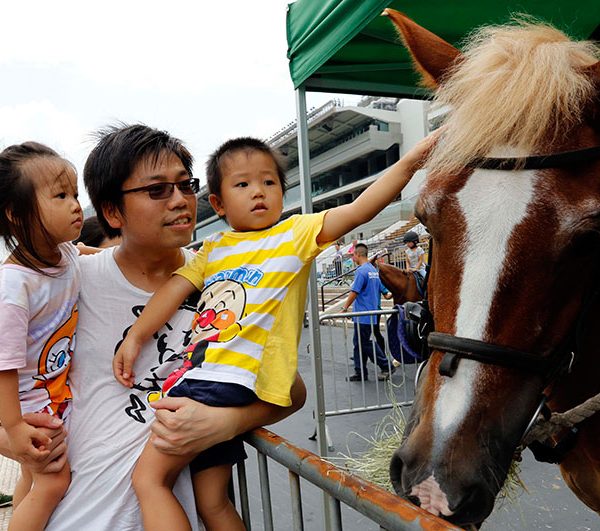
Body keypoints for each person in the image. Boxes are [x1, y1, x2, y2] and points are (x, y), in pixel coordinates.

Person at [113, 131, 438, 531]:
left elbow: (359, 209)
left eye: (269, 182)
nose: (259, 192)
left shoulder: (296, 233)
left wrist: (412, 161)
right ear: (218, 202)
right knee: (211, 501)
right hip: (224, 385)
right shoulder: (213, 249)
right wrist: (136, 335)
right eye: (243, 184)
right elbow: (172, 291)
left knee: (148, 480)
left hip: (217, 379)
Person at [0, 124, 306, 531]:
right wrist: (20, 445)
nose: (180, 201)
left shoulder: (225, 286)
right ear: (111, 212)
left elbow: (291, 389)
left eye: (185, 185)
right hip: (71, 516)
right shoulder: (71, 282)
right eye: (157, 190)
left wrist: (226, 423)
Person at [0, 142, 82, 530]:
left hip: (53, 392)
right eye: (61, 195)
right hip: (32, 408)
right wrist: (15, 429)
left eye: (76, 194)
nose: (76, 205)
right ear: (16, 214)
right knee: (54, 481)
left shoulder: (65, 253)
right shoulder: (14, 285)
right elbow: (4, 364)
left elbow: (88, 255)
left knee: (33, 480)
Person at [342, 243, 395, 382]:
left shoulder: (361, 271)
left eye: (353, 255)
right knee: (359, 343)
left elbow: (355, 291)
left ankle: (386, 365)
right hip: (371, 313)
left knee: (364, 343)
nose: (352, 257)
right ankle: (360, 372)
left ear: (358, 255)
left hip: (363, 315)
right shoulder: (373, 270)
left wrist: (345, 307)